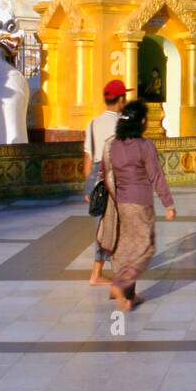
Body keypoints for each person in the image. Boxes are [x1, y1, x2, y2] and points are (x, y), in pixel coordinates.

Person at [100, 100, 176, 311]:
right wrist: (169, 204)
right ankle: (120, 285)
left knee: (127, 249)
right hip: (141, 203)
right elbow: (156, 176)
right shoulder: (144, 146)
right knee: (146, 248)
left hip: (122, 204)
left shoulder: (114, 144)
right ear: (142, 122)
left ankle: (131, 297)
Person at [84, 79, 130, 286]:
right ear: (120, 99)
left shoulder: (93, 123)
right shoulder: (122, 125)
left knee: (104, 224)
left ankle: (104, 269)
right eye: (124, 97)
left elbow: (88, 157)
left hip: (96, 175)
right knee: (113, 224)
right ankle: (97, 273)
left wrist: (88, 187)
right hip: (114, 175)